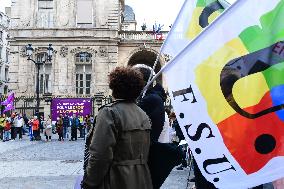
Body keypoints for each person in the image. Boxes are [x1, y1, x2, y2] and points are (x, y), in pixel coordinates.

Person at [82, 67, 152, 189]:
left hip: (116, 179)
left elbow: (100, 155)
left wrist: (89, 182)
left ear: (114, 87)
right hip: (141, 179)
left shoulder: (109, 112)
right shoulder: (142, 114)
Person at [134, 64, 183, 189]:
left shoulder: (151, 100)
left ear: (143, 81)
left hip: (146, 156)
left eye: (133, 78)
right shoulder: (148, 98)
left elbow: (147, 131)